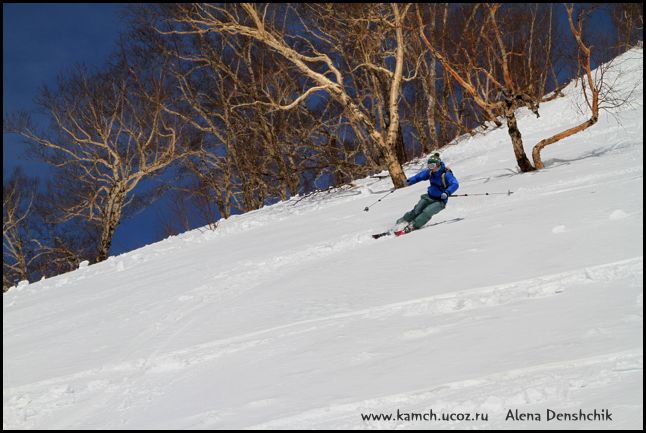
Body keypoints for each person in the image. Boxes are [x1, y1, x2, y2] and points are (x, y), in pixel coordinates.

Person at [394, 153, 459, 235]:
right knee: (417, 210)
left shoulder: (446, 174)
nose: (430, 168)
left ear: (437, 165)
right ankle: (401, 223)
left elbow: (455, 184)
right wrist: (410, 181)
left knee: (426, 212)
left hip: (440, 201)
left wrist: (447, 192)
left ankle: (413, 225)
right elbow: (419, 176)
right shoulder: (430, 172)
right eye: (429, 166)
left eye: (432, 165)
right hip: (429, 196)